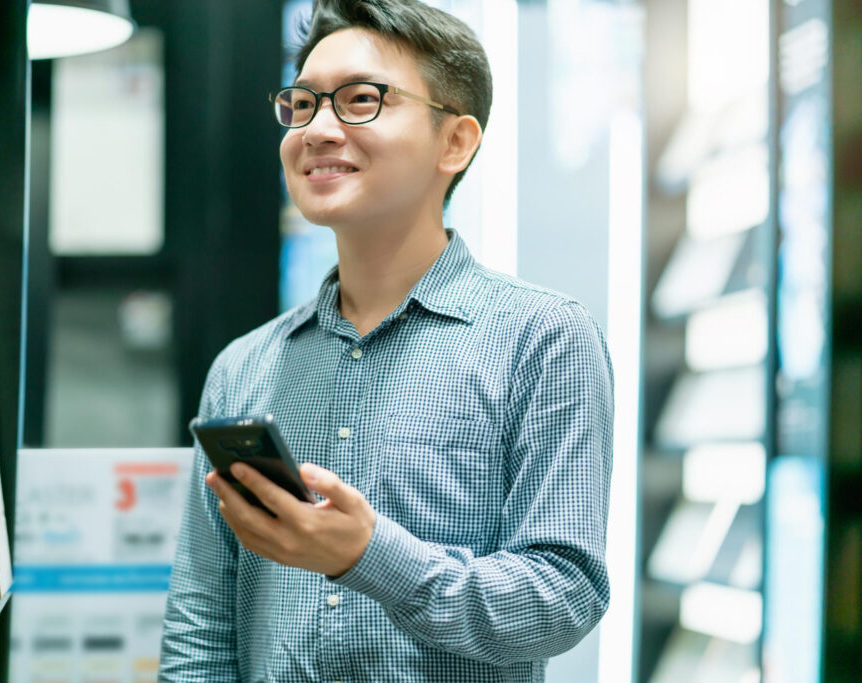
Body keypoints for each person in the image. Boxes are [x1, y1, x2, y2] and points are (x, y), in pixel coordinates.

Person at [159, 0, 614, 680]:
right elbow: (201, 626)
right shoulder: (243, 366)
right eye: (302, 103)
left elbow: (562, 597)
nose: (316, 129)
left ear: (455, 141)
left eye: (361, 100)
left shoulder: (542, 339)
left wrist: (369, 554)